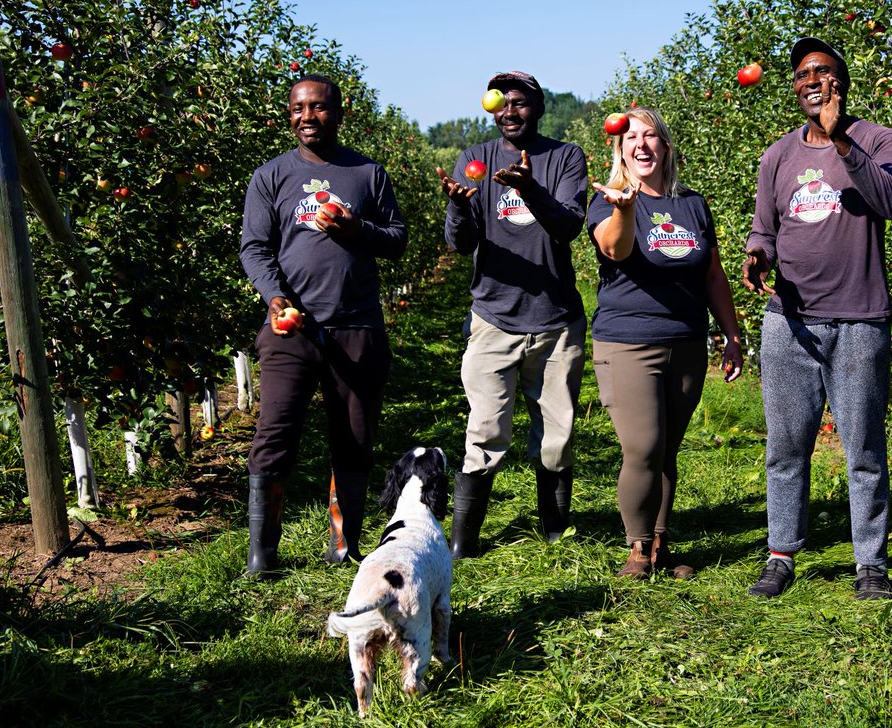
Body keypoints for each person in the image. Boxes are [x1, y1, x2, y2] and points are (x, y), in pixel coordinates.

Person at [742, 37, 892, 600]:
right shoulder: (778, 155)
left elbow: (888, 201)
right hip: (789, 322)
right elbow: (765, 227)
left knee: (863, 449)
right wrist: (756, 254)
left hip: (859, 320)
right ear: (794, 87)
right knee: (786, 447)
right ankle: (781, 554)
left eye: (824, 70)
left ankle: (871, 565)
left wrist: (840, 141)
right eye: (803, 72)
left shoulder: (878, 140)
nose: (812, 78)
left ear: (842, 82)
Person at [240, 73, 407, 574]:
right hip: (292, 328)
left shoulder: (367, 173)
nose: (306, 117)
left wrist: (357, 229)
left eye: (317, 108)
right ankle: (261, 554)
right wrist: (274, 297)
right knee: (275, 432)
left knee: (353, 436)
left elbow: (396, 239)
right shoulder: (271, 176)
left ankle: (343, 545)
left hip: (356, 325)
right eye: (297, 109)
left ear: (338, 111)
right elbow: (255, 247)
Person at [436, 71, 588, 559]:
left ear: (538, 108)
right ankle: (464, 542)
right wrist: (459, 209)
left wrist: (530, 190)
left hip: (555, 320)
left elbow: (568, 226)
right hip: (494, 316)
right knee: (484, 432)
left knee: (557, 437)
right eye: (501, 102)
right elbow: (459, 245)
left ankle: (553, 534)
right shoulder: (474, 160)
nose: (509, 111)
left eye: (520, 103)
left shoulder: (564, 157)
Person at [587, 106, 744, 579]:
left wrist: (732, 335)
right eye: (631, 137)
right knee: (644, 447)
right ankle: (637, 549)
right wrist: (627, 208)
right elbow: (615, 248)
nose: (641, 145)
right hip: (628, 341)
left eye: (651, 136)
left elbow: (713, 274)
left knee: (667, 447)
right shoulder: (609, 200)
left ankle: (660, 544)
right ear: (620, 149)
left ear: (666, 147)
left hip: (687, 341)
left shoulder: (693, 205)